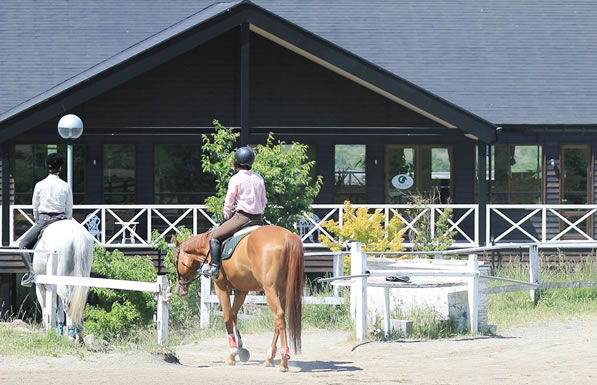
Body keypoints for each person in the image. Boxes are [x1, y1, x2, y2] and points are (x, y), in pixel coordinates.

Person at [203, 146, 267, 278]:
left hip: (241, 218)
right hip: (258, 219)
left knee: (214, 237)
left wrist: (226, 216)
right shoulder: (259, 178)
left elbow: (229, 201)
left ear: (236, 162)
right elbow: (264, 201)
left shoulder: (236, 179)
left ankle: (214, 268)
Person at [19, 152, 73, 287]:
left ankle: (31, 273)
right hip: (62, 219)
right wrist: (68, 220)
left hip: (44, 220)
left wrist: (38, 220)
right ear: (60, 168)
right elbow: (69, 208)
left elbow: (35, 208)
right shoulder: (65, 186)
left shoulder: (40, 185)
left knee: (22, 245)